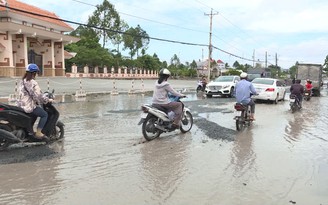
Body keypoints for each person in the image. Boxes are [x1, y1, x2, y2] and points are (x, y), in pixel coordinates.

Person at [16, 64, 52, 140]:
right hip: (27, 106)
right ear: (34, 73)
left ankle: (30, 131)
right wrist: (48, 100)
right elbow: (39, 95)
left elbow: (31, 95)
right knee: (44, 114)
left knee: (35, 113)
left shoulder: (22, 81)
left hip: (19, 105)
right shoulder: (33, 82)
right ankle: (38, 132)